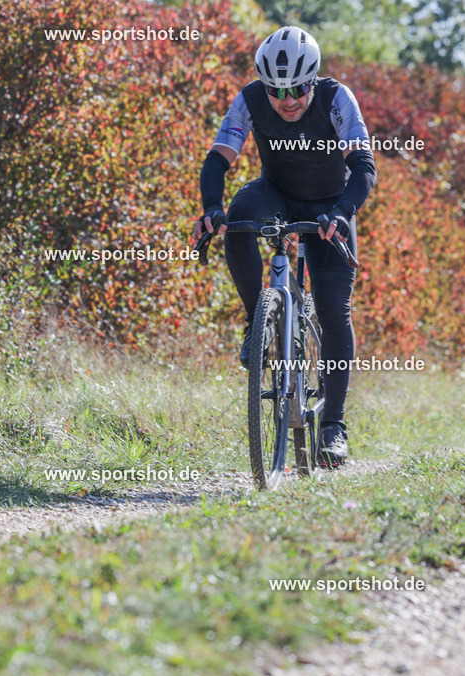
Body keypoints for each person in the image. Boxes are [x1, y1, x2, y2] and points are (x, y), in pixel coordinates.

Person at [193, 26, 377, 466]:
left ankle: (333, 425)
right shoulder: (250, 99)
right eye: (278, 90)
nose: (288, 99)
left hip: (332, 203)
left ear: (312, 80)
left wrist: (343, 211)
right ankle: (258, 320)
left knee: (334, 310)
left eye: (297, 88)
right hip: (276, 191)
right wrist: (211, 208)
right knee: (237, 225)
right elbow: (218, 158)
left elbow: (364, 166)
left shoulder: (337, 99)